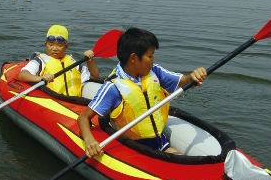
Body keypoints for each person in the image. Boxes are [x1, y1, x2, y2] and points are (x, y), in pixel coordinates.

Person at [78, 27, 207, 157]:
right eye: (150, 56)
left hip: (159, 142)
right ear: (133, 58)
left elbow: (184, 81)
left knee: (182, 162)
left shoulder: (154, 72)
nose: (153, 60)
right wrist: (89, 140)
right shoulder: (113, 87)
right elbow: (83, 117)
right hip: (132, 147)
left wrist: (193, 76)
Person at [18, 25, 99, 97]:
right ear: (45, 44)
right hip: (53, 102)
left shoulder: (73, 63)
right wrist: (41, 78)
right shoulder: (40, 61)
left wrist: (89, 60)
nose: (54, 48)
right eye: (50, 44)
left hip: (75, 103)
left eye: (59, 45)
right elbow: (23, 75)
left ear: (66, 47)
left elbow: (95, 77)